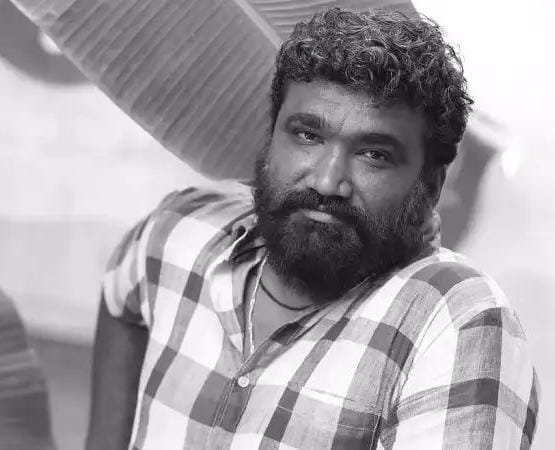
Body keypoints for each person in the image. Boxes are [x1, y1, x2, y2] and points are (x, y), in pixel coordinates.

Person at [86, 8, 539, 450]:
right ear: (271, 138)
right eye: (307, 135)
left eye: (374, 155)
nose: (326, 181)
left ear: (431, 185)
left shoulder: (453, 320)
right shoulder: (182, 232)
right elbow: (122, 296)